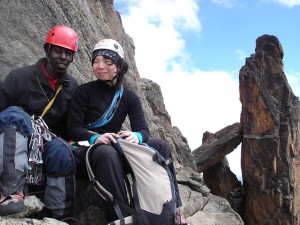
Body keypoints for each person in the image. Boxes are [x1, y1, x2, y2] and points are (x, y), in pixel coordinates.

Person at [67, 38, 186, 223]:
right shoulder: (83, 92)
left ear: (119, 66)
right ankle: (124, 216)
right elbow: (73, 127)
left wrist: (136, 136)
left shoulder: (129, 98)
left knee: (160, 146)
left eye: (107, 62)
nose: (100, 66)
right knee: (107, 152)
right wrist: (95, 138)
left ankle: (172, 208)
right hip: (88, 152)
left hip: (114, 150)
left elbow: (143, 130)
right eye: (96, 61)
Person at [0, 25, 80, 220]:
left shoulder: (72, 87)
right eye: (58, 50)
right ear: (47, 50)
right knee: (15, 115)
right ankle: (11, 193)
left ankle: (57, 215)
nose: (63, 56)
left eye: (68, 53)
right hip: (17, 135)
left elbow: (71, 124)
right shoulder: (20, 77)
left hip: (46, 141)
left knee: (62, 150)